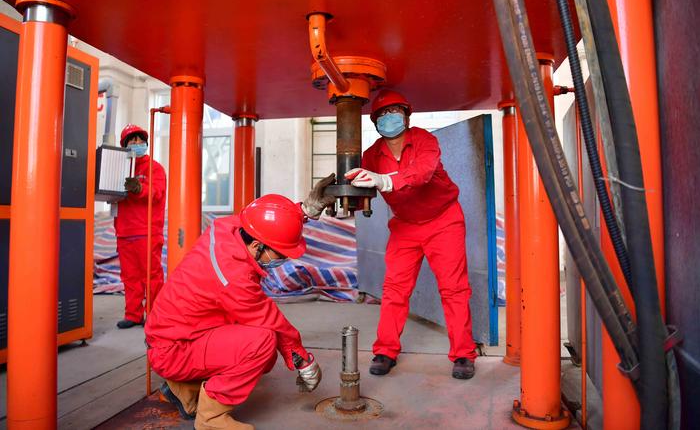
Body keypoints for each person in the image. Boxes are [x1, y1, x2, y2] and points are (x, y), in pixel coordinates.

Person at [145, 178, 336, 429]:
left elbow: (261, 221)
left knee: (261, 345)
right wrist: (303, 359)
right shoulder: (233, 276)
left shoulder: (229, 229)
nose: (285, 259)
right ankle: (210, 419)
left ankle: (183, 390)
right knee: (262, 344)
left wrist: (302, 213)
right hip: (173, 351)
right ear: (257, 246)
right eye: (281, 253)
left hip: (177, 335)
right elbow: (271, 320)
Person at [345, 89, 477, 380]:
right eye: (382, 114)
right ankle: (385, 351)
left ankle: (464, 354)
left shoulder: (424, 140)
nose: (389, 118)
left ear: (406, 115)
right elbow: (361, 189)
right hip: (405, 226)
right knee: (394, 289)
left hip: (444, 221)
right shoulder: (371, 155)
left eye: (395, 112)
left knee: (454, 289)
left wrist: (384, 180)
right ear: (375, 121)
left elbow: (423, 173)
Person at [114, 124, 167, 329]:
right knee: (130, 278)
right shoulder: (119, 168)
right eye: (132, 140)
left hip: (147, 232)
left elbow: (157, 193)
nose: (137, 143)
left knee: (151, 277)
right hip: (124, 232)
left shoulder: (155, 168)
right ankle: (133, 314)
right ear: (124, 145)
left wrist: (139, 188)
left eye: (140, 140)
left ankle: (154, 315)